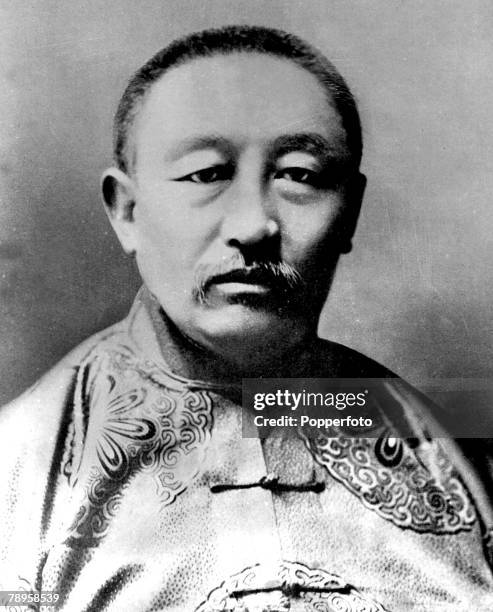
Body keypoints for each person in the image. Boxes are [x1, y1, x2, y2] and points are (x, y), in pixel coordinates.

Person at [0, 25, 492, 612]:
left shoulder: (458, 465)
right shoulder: (19, 475)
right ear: (127, 211)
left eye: (299, 175)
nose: (254, 225)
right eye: (207, 174)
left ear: (352, 211)